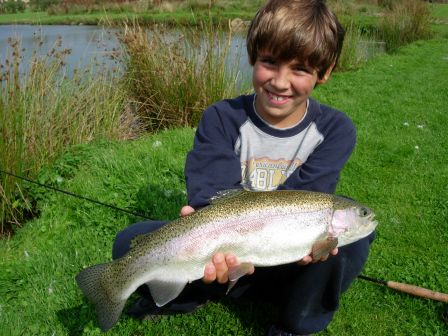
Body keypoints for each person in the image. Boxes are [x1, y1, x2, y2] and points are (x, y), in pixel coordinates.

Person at [112, 0, 375, 335]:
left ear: (324, 72)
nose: (280, 82)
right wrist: (211, 236)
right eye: (270, 62)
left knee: (349, 244)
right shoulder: (221, 117)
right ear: (252, 56)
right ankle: (184, 293)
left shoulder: (336, 130)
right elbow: (210, 195)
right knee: (130, 244)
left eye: (299, 70)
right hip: (222, 255)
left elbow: (311, 194)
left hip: (290, 263)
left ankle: (296, 322)